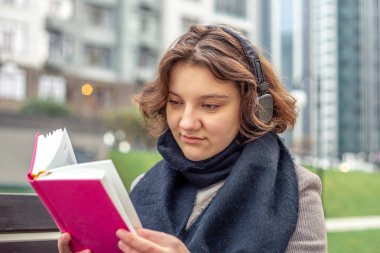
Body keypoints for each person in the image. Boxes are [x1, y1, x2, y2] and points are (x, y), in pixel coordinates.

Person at [58, 24, 327, 253]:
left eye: (209, 105)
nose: (186, 122)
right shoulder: (143, 186)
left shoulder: (298, 191)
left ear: (254, 109)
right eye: (175, 102)